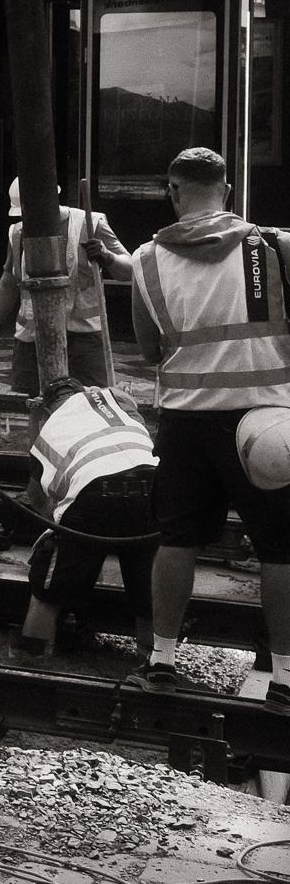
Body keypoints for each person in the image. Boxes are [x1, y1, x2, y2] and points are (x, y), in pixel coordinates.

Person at [128, 147, 290, 710]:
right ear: (226, 187)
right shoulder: (273, 246)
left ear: (174, 191)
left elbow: (149, 349)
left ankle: (163, 660)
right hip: (265, 421)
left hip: (186, 421)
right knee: (280, 548)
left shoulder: (147, 259)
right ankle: (287, 677)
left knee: (177, 539)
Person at [12, 377, 157, 659]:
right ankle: (152, 666)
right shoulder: (114, 403)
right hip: (152, 487)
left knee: (47, 591)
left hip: (93, 493)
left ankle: (32, 661)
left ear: (46, 409)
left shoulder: (50, 429)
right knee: (148, 592)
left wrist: (71, 544)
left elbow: (39, 502)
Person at [0, 178, 133, 391]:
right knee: (31, 405)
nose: (27, 219)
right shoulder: (17, 232)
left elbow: (130, 271)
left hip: (83, 339)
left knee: (90, 405)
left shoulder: (90, 223)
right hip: (32, 339)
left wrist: (107, 257)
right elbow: (9, 280)